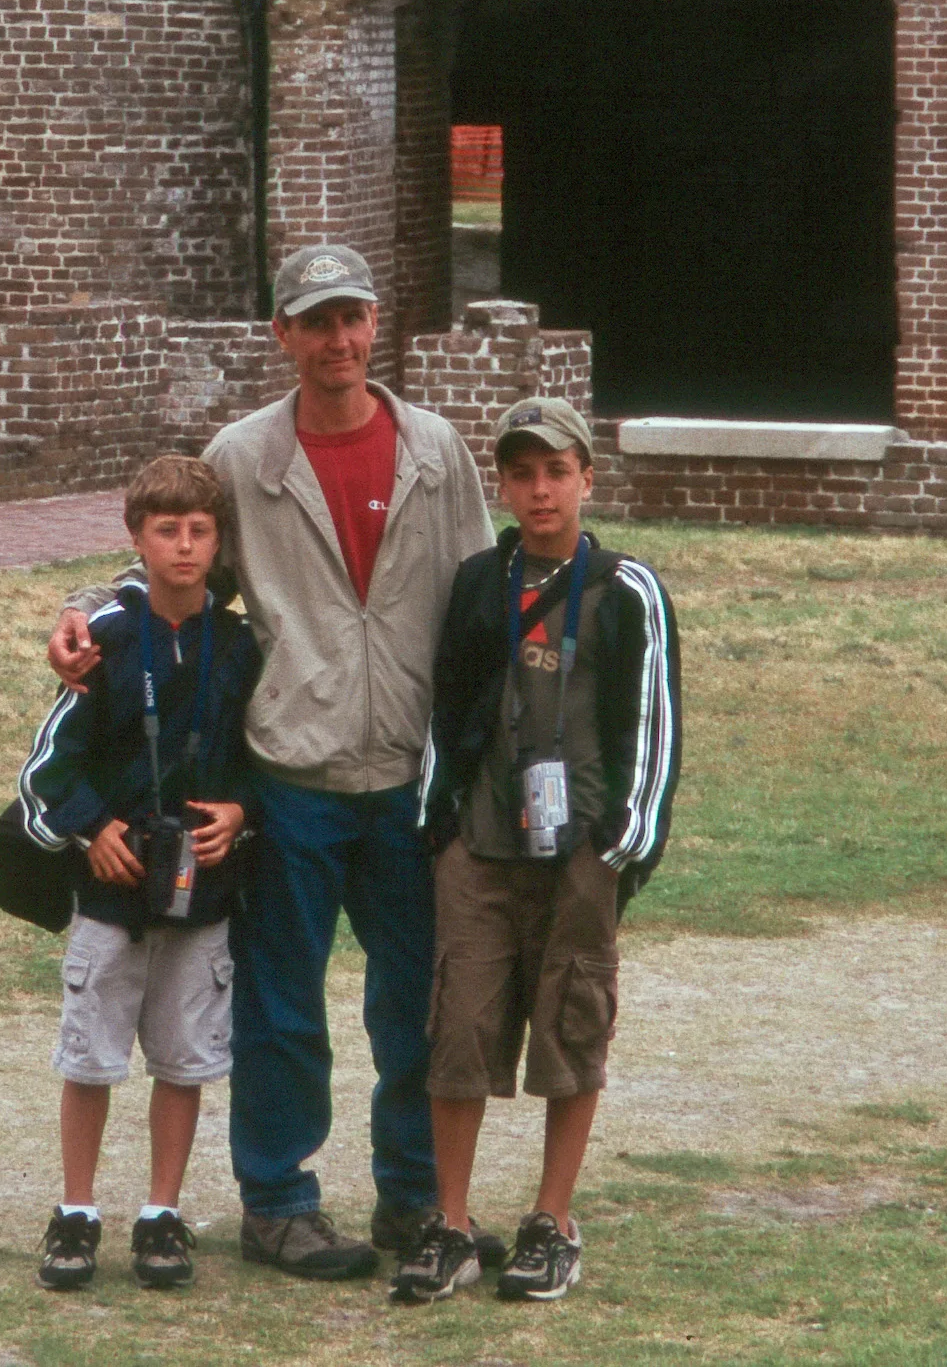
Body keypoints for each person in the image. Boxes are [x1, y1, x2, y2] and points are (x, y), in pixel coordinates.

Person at [46, 245, 494, 1280]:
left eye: (353, 317)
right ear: (283, 335)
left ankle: (416, 1196)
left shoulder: (436, 448)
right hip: (291, 778)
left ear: (377, 321)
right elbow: (174, 553)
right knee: (282, 1003)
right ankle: (280, 1201)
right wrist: (84, 623)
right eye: (315, 320)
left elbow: (479, 594)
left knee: (413, 999)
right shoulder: (245, 455)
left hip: (410, 779)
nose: (338, 339)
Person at [391, 397, 681, 1304]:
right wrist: (439, 832)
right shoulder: (480, 582)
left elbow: (653, 728)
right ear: (505, 485)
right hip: (480, 843)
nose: (541, 489)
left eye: (557, 471)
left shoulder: (627, 589)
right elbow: (446, 708)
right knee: (459, 1028)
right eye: (522, 473)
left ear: (588, 478)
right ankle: (450, 1222)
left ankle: (553, 1221)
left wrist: (619, 847)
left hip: (580, 848)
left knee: (571, 1024)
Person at [19, 454, 261, 1291]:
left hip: (203, 889)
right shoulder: (105, 640)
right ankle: (77, 1211)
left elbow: (266, 757)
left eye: (199, 532)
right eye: (167, 532)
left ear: (220, 540)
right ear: (136, 538)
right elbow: (48, 770)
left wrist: (243, 812)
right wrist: (91, 828)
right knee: (90, 1057)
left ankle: (163, 1214)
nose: (184, 549)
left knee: (185, 1060)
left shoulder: (239, 647)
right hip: (110, 892)